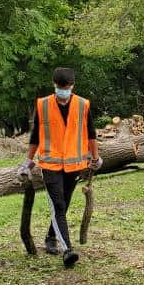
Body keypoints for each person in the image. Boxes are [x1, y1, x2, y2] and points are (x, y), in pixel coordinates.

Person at [24, 67, 101, 269]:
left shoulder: (83, 105)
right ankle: (67, 249)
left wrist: (96, 157)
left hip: (74, 165)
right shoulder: (43, 105)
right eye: (60, 87)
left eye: (66, 87)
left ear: (72, 86)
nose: (63, 91)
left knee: (64, 203)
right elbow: (35, 136)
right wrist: (28, 161)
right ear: (54, 85)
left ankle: (51, 236)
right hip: (50, 164)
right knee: (58, 205)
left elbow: (91, 133)